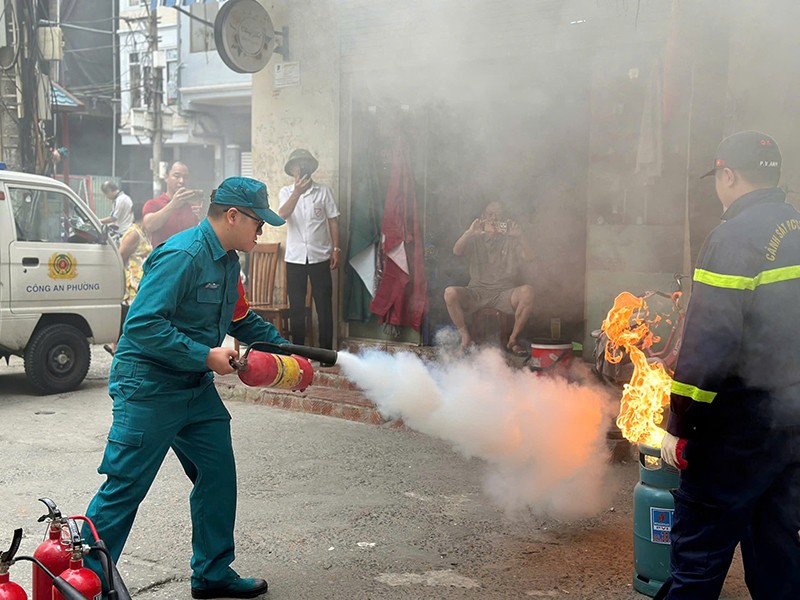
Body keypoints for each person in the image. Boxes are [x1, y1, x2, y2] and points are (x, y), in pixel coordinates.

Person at [83, 177, 288, 600]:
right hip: (149, 385)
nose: (261, 231)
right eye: (257, 222)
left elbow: (239, 319)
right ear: (232, 216)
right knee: (125, 487)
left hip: (194, 388)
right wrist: (205, 355)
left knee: (217, 473)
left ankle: (212, 573)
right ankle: (84, 584)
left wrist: (287, 352)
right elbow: (141, 325)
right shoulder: (183, 255)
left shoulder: (229, 260)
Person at [659, 131, 800, 599]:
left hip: (734, 432)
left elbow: (709, 346)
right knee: (778, 557)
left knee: (698, 562)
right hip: (790, 426)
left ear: (728, 174)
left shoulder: (733, 238)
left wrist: (678, 425)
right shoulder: (797, 226)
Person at [443, 200, 534, 355]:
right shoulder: (475, 238)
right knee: (449, 293)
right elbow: (457, 251)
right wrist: (470, 232)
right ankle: (466, 338)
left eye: (498, 214)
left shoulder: (511, 239)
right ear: (482, 217)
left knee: (528, 292)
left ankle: (513, 340)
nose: (494, 218)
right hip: (476, 292)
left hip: (504, 293)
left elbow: (530, 257)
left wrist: (520, 236)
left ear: (505, 219)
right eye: (490, 214)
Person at [278, 148, 341, 352]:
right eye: (297, 165)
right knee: (296, 307)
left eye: (304, 164)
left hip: (320, 256)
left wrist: (336, 248)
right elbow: (282, 216)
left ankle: (325, 352)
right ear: (292, 170)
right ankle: (299, 353)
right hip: (295, 258)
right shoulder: (286, 192)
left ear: (310, 168)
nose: (301, 168)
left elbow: (333, 221)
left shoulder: (324, 191)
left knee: (323, 306)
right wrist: (297, 192)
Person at [103, 198, 153, 356]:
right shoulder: (133, 233)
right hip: (132, 282)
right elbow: (121, 257)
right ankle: (118, 348)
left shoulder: (143, 232)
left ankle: (117, 348)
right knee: (129, 316)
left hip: (141, 282)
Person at [143, 161, 202, 247]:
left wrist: (203, 216)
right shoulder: (153, 204)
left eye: (185, 177)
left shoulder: (193, 207)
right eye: (176, 176)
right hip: (164, 258)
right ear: (166, 177)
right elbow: (149, 226)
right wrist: (173, 204)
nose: (181, 181)